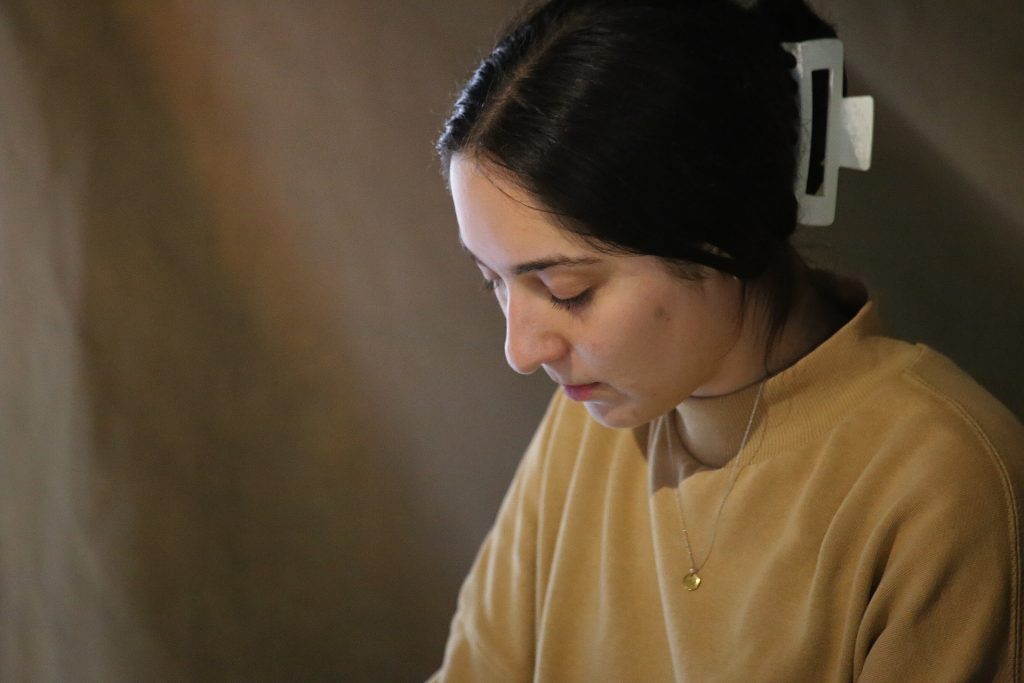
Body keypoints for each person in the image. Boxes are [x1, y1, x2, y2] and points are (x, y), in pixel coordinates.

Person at [429, 0, 1024, 680]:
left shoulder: (945, 485)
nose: (521, 350)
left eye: (568, 290)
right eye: (494, 282)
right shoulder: (590, 417)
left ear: (719, 233)